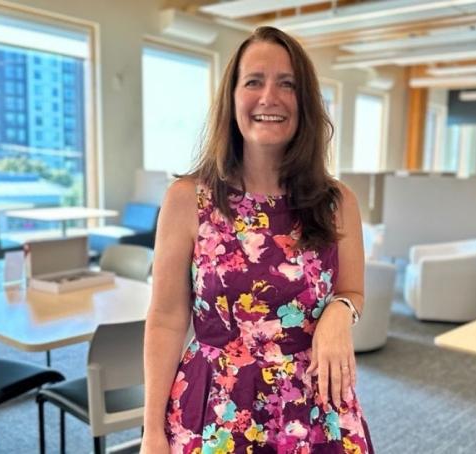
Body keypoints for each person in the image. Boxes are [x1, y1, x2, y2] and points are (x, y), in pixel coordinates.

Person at [143, 26, 373, 453]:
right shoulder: (188, 199)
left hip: (314, 410)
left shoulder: (337, 202)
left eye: (287, 84)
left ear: (305, 103)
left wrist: (340, 312)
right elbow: (166, 319)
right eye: (254, 82)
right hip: (215, 409)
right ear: (232, 98)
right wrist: (151, 431)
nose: (270, 97)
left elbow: (352, 291)